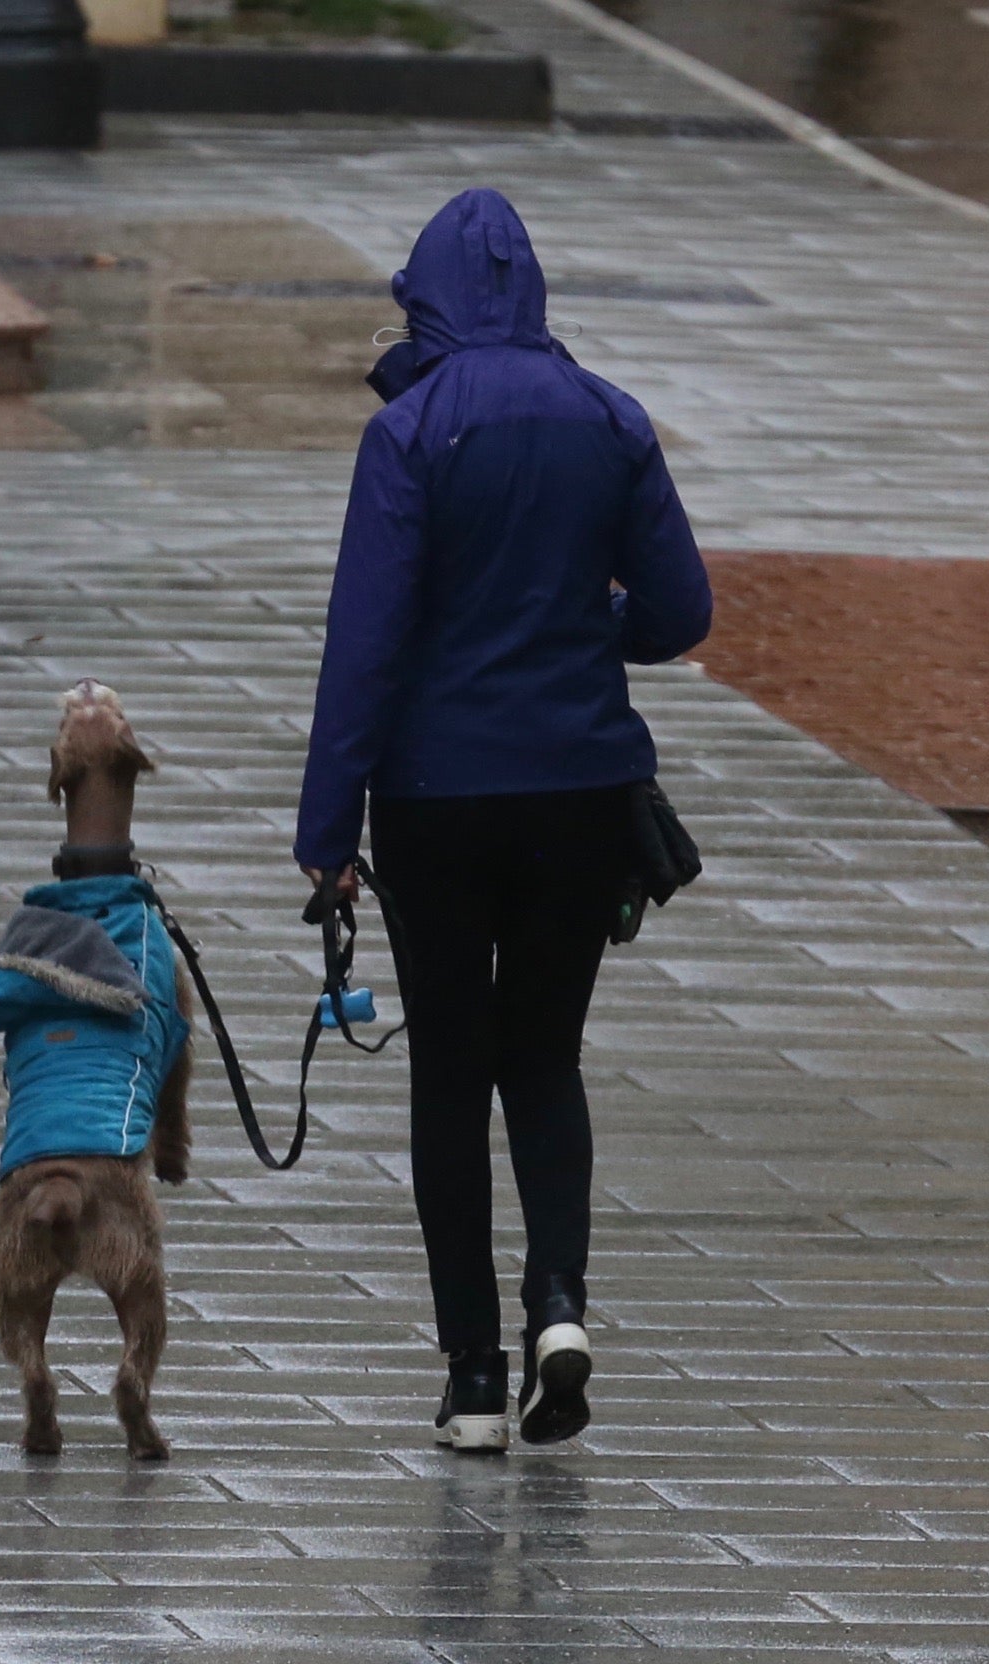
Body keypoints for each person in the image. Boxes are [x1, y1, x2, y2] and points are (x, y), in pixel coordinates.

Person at [293, 187, 712, 1451]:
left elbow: (363, 648)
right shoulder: (610, 418)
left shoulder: (412, 433)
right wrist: (596, 625)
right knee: (543, 1054)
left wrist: (327, 830)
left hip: (434, 802)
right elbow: (679, 609)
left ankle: (474, 1374)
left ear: (424, 298)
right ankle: (561, 1302)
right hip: (581, 793)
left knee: (448, 1076)